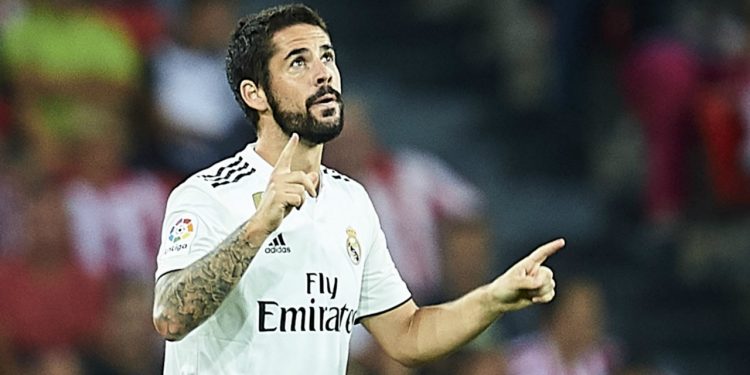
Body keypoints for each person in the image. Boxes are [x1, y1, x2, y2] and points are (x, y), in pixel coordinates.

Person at [151, 4, 564, 374]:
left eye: (327, 56)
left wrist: (493, 298)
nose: (323, 73)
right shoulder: (208, 195)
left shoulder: (350, 202)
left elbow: (407, 336)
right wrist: (258, 227)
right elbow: (170, 317)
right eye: (298, 61)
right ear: (255, 93)